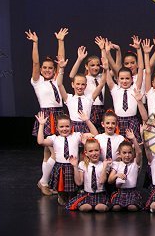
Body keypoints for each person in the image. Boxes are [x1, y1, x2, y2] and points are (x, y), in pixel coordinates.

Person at [26, 28, 67, 196]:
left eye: (51, 68)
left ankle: (44, 182)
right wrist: (35, 43)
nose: (48, 70)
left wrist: (60, 41)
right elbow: (35, 63)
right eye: (45, 68)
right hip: (47, 116)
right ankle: (43, 182)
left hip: (59, 115)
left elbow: (61, 60)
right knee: (56, 153)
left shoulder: (57, 80)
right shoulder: (37, 82)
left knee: (47, 154)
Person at [36, 112, 98, 205]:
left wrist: (87, 120)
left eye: (67, 126)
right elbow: (40, 141)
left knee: (73, 191)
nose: (64, 129)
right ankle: (61, 195)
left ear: (71, 126)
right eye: (61, 127)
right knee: (61, 191)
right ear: (57, 128)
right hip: (60, 167)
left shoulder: (76, 136)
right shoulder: (54, 138)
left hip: (72, 166)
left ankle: (73, 196)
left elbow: (95, 134)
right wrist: (41, 125)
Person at [55, 55, 105, 134]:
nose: (80, 87)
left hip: (87, 127)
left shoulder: (89, 98)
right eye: (77, 84)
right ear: (72, 85)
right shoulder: (69, 98)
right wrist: (61, 69)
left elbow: (101, 84)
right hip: (72, 128)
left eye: (82, 84)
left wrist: (105, 69)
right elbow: (59, 84)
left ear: (86, 85)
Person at [66, 138, 112, 212]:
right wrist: (75, 166)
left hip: (100, 194)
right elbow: (79, 183)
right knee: (85, 208)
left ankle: (98, 205)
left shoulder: (103, 164)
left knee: (100, 208)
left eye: (96, 150)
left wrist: (104, 167)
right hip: (88, 194)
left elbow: (102, 181)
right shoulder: (83, 164)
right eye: (90, 151)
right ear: (86, 153)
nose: (94, 153)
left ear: (100, 151)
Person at [69, 44, 107, 128]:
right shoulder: (84, 79)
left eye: (98, 65)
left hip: (101, 109)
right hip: (89, 108)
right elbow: (72, 75)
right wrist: (79, 59)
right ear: (86, 66)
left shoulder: (102, 76)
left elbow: (106, 64)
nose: (96, 67)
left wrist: (103, 50)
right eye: (92, 65)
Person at [108, 134, 144, 211]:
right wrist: (116, 175)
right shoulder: (117, 164)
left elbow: (139, 153)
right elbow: (110, 180)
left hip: (132, 192)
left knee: (132, 207)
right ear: (119, 154)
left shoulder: (135, 163)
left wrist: (133, 139)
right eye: (124, 153)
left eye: (130, 152)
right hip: (120, 192)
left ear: (133, 154)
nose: (127, 155)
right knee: (116, 207)